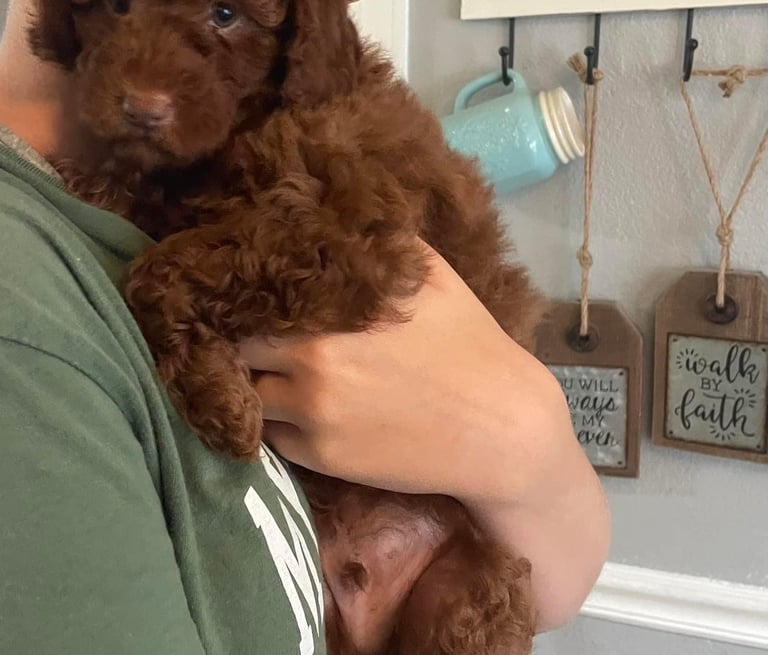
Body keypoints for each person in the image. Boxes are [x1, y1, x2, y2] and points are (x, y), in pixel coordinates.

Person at [0, 2, 610, 653]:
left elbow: (557, 580)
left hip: (437, 555)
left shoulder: (309, 131)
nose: (150, 87)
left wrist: (526, 433)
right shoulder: (31, 317)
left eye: (227, 13)